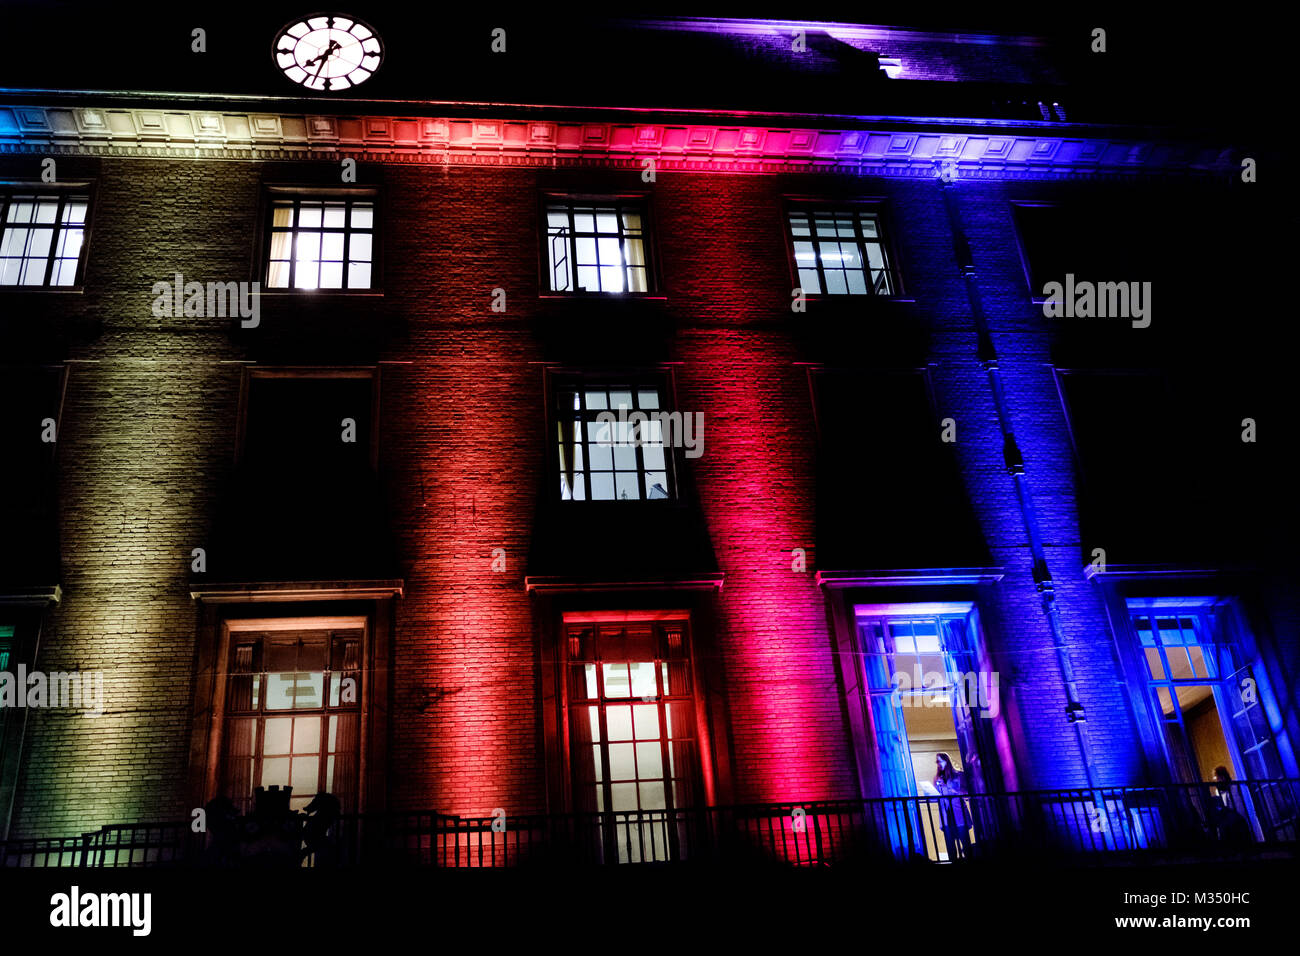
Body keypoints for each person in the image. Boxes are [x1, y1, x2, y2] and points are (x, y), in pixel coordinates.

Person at [933, 752, 972, 860]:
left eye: (940, 761)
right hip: (946, 815)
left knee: (965, 843)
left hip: (958, 813)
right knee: (951, 847)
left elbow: (967, 792)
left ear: (947, 761)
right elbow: (933, 798)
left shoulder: (959, 775)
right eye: (937, 761)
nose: (938, 764)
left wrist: (954, 790)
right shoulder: (937, 779)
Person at [1210, 765, 1252, 845]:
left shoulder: (1235, 786)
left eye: (1218, 778)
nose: (1217, 781)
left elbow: (1242, 801)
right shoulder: (1218, 792)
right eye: (1217, 778)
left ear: (1223, 777)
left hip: (1240, 818)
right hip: (1230, 820)